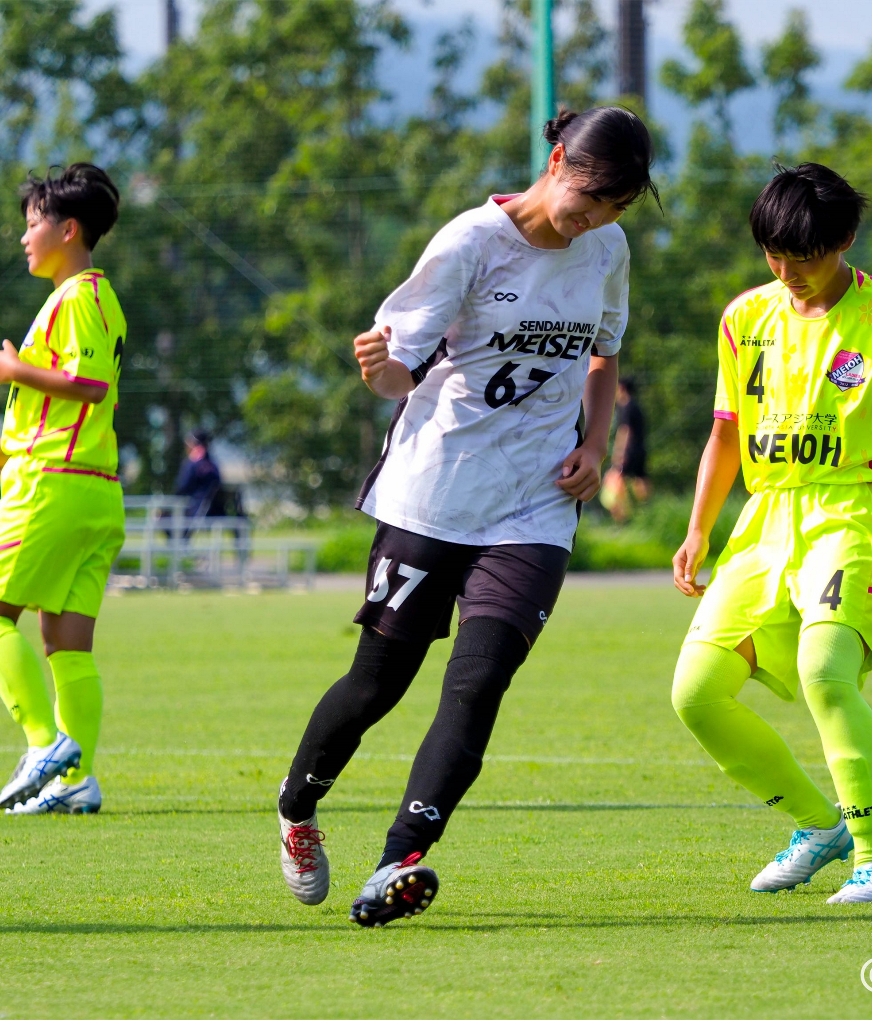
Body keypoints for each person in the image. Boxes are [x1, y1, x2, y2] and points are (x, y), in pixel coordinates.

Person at [275, 107, 658, 927]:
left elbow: (604, 350)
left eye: (614, 208)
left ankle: (397, 865)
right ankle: (297, 809)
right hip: (435, 490)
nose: (595, 220)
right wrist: (378, 370)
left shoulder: (609, 249)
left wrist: (597, 441)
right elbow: (398, 375)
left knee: (479, 683)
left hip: (536, 505)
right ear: (556, 161)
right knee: (380, 683)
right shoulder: (467, 245)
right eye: (588, 199)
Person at [669, 163, 872, 903]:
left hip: (854, 513)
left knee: (826, 670)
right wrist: (699, 528)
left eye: (806, 257)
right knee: (695, 693)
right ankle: (814, 825)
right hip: (765, 524)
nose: (788, 271)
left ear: (846, 240)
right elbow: (725, 433)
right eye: (774, 255)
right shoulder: (744, 318)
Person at [0, 163, 126, 816]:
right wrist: (12, 438)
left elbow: (89, 387)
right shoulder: (93, 297)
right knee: (66, 642)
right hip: (94, 488)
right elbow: (76, 397)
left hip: (54, 486)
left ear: (68, 229)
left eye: (33, 225)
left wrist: (14, 368)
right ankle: (75, 779)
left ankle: (43, 744)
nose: (25, 237)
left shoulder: (79, 296)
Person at [602, 376, 650, 522]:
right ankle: (646, 513)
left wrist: (619, 453)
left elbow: (625, 431)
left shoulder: (627, 407)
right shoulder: (636, 406)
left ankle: (621, 520)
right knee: (640, 479)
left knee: (614, 481)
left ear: (622, 388)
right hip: (640, 450)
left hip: (628, 452)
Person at [174, 429, 226, 519]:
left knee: (161, 515)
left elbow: (181, 488)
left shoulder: (191, 465)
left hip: (193, 511)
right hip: (215, 512)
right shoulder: (214, 466)